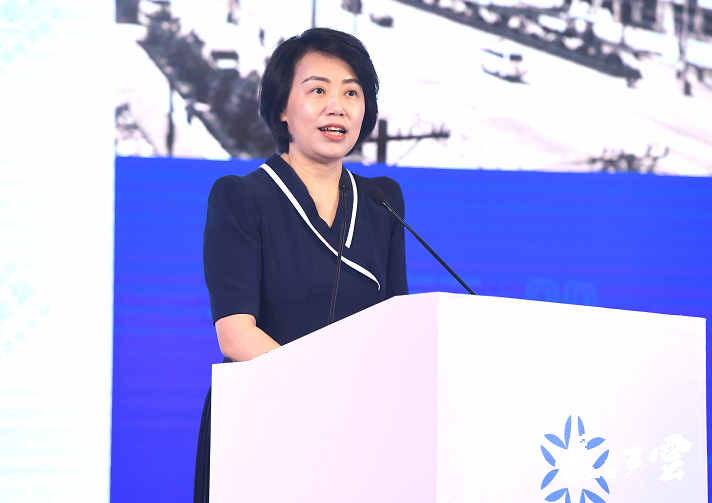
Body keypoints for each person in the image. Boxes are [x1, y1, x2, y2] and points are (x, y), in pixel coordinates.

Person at [193, 27, 408, 502]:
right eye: (317, 90)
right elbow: (236, 334)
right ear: (282, 109)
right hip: (260, 428)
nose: (337, 106)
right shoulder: (242, 197)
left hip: (355, 437)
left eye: (351, 92)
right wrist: (323, 394)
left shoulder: (382, 202)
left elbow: (398, 327)